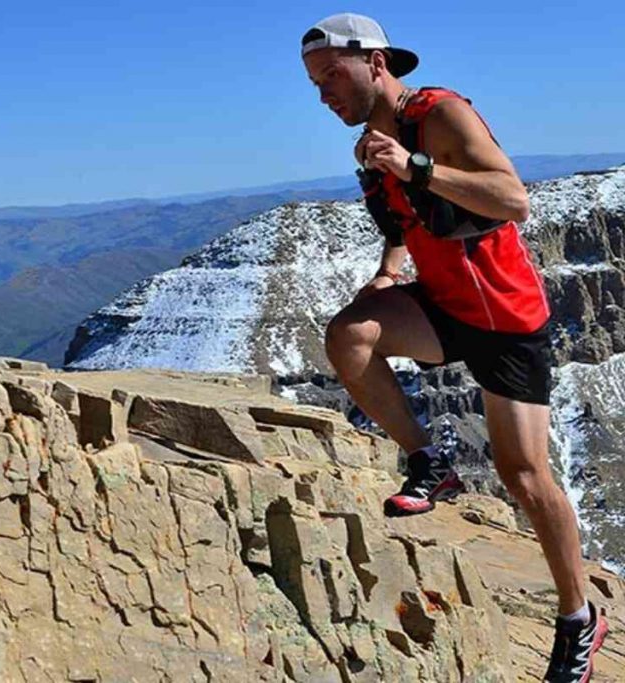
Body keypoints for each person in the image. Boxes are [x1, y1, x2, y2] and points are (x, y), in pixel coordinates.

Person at [300, 13, 608, 682]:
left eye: (331, 76)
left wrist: (416, 163)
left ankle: (578, 616)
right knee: (348, 335)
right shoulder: (370, 145)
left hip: (505, 319)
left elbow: (512, 199)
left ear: (374, 63)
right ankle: (426, 459)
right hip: (442, 306)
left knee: (525, 476)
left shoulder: (442, 113)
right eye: (315, 84)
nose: (324, 94)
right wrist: (387, 269)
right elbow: (401, 224)